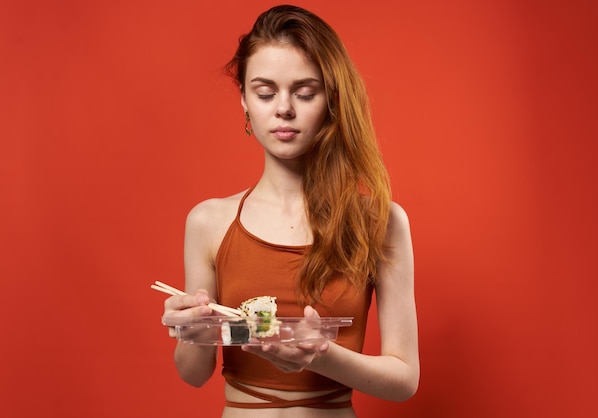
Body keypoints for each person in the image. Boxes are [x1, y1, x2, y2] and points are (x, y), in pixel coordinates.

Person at [162, 5, 419, 416]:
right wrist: (189, 331)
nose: (284, 109)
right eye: (265, 93)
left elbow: (405, 379)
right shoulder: (208, 222)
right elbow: (193, 374)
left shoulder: (381, 222)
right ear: (244, 100)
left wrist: (320, 355)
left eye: (304, 92)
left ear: (332, 99)